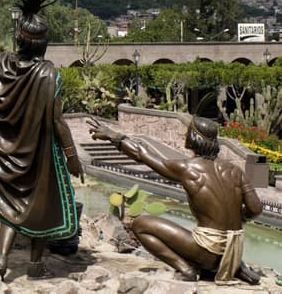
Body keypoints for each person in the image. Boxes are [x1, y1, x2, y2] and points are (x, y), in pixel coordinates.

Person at [0, 0, 82, 280]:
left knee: (9, 205)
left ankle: (1, 258)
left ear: (18, 39)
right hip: (39, 156)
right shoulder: (49, 74)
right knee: (41, 206)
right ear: (43, 44)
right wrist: (72, 156)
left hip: (7, 152)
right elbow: (58, 122)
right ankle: (35, 264)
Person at [88, 116, 262, 284]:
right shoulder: (235, 171)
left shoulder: (188, 168)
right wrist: (235, 220)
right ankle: (236, 266)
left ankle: (187, 270)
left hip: (208, 251)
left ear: (194, 137)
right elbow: (255, 209)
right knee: (207, 232)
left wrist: (114, 136)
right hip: (234, 250)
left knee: (140, 225)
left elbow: (142, 153)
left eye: (187, 132)